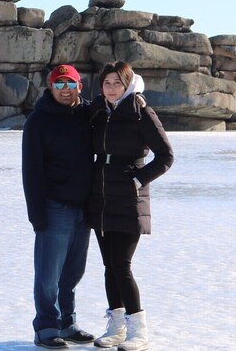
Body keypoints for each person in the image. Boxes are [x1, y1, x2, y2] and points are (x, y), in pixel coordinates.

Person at [87, 61, 174, 350]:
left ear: (127, 84)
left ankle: (138, 330)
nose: (111, 88)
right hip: (100, 197)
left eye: (117, 83)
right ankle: (116, 326)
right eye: (107, 83)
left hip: (128, 197)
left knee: (122, 265)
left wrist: (137, 180)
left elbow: (165, 156)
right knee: (108, 266)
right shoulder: (99, 112)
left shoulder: (140, 112)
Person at [22, 64, 96, 349]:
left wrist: (137, 97)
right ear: (50, 87)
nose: (65, 89)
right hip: (54, 208)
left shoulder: (89, 114)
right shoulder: (38, 122)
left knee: (73, 272)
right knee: (48, 275)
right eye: (59, 84)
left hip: (84, 206)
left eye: (70, 84)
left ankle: (68, 322)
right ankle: (46, 327)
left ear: (80, 86)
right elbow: (31, 172)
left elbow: (120, 105)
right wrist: (37, 215)